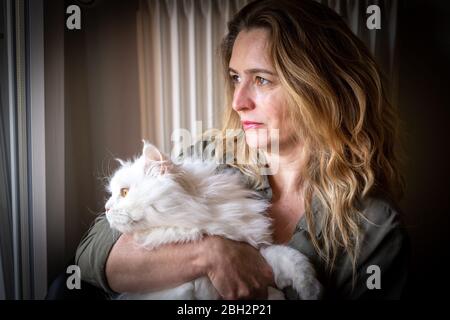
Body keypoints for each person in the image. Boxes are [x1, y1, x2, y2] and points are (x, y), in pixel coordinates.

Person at [75, 0, 409, 299]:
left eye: (261, 79)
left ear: (319, 88)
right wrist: (211, 254)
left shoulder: (374, 228)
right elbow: (91, 256)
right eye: (236, 77)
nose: (238, 102)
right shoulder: (209, 155)